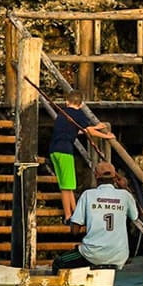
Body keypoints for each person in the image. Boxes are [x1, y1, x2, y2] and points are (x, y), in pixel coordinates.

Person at [47, 87, 117, 221]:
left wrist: (95, 127)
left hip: (53, 151)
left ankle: (75, 211)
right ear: (81, 104)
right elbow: (89, 131)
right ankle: (68, 215)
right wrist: (107, 136)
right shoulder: (78, 114)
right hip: (65, 151)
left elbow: (75, 130)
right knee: (67, 186)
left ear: (67, 102)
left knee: (66, 185)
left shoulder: (62, 113)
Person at [60, 164, 137, 271]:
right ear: (115, 177)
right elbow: (135, 216)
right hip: (119, 256)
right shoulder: (125, 195)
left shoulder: (87, 195)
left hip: (93, 255)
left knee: (59, 262)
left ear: (96, 176)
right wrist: (124, 188)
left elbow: (74, 231)